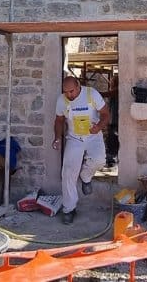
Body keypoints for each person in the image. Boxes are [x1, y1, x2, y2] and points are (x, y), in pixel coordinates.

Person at [52, 76, 111, 224]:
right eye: (66, 92)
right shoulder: (61, 100)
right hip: (74, 138)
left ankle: (85, 176)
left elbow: (105, 114)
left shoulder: (92, 94)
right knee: (68, 172)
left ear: (78, 86)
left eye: (71, 91)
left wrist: (99, 127)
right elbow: (59, 121)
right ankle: (69, 209)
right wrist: (57, 138)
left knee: (99, 161)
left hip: (93, 135)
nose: (69, 95)